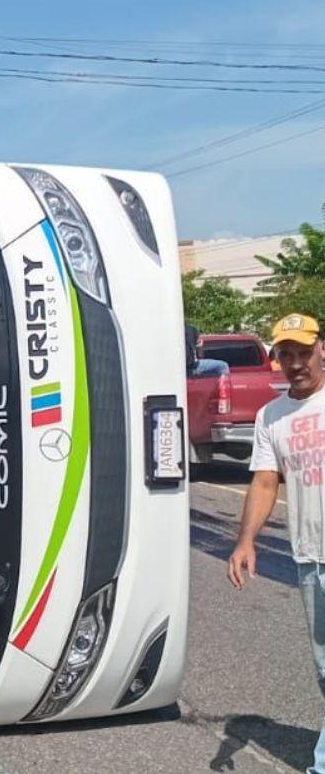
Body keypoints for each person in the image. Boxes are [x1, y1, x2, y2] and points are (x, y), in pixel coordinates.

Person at [229, 313, 325, 773]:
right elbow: (266, 481)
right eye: (286, 355)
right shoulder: (272, 415)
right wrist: (246, 541)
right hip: (310, 556)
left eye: (304, 352)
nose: (296, 363)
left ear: (321, 349)